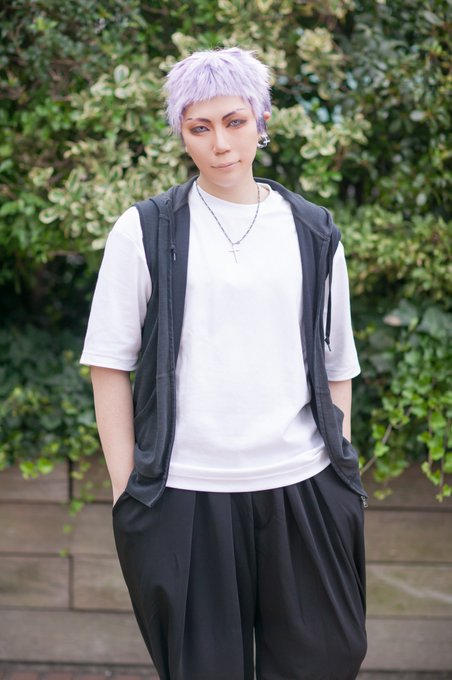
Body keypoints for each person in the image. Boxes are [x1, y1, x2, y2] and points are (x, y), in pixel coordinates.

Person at [81, 47, 367, 680]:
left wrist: (339, 473)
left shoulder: (314, 231)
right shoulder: (145, 230)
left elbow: (337, 366)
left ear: (261, 121)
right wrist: (128, 491)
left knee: (327, 660)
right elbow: (108, 366)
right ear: (181, 134)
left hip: (303, 485)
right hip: (184, 495)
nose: (220, 144)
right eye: (200, 127)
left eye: (235, 121)